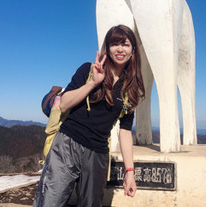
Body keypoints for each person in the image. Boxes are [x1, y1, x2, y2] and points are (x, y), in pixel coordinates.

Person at [33, 24, 145, 207]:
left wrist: (130, 172)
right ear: (107, 48)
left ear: (133, 50)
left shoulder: (130, 89)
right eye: (114, 43)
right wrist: (93, 83)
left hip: (98, 154)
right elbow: (64, 105)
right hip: (67, 144)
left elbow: (125, 132)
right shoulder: (88, 69)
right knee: (50, 201)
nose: (120, 49)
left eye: (125, 44)